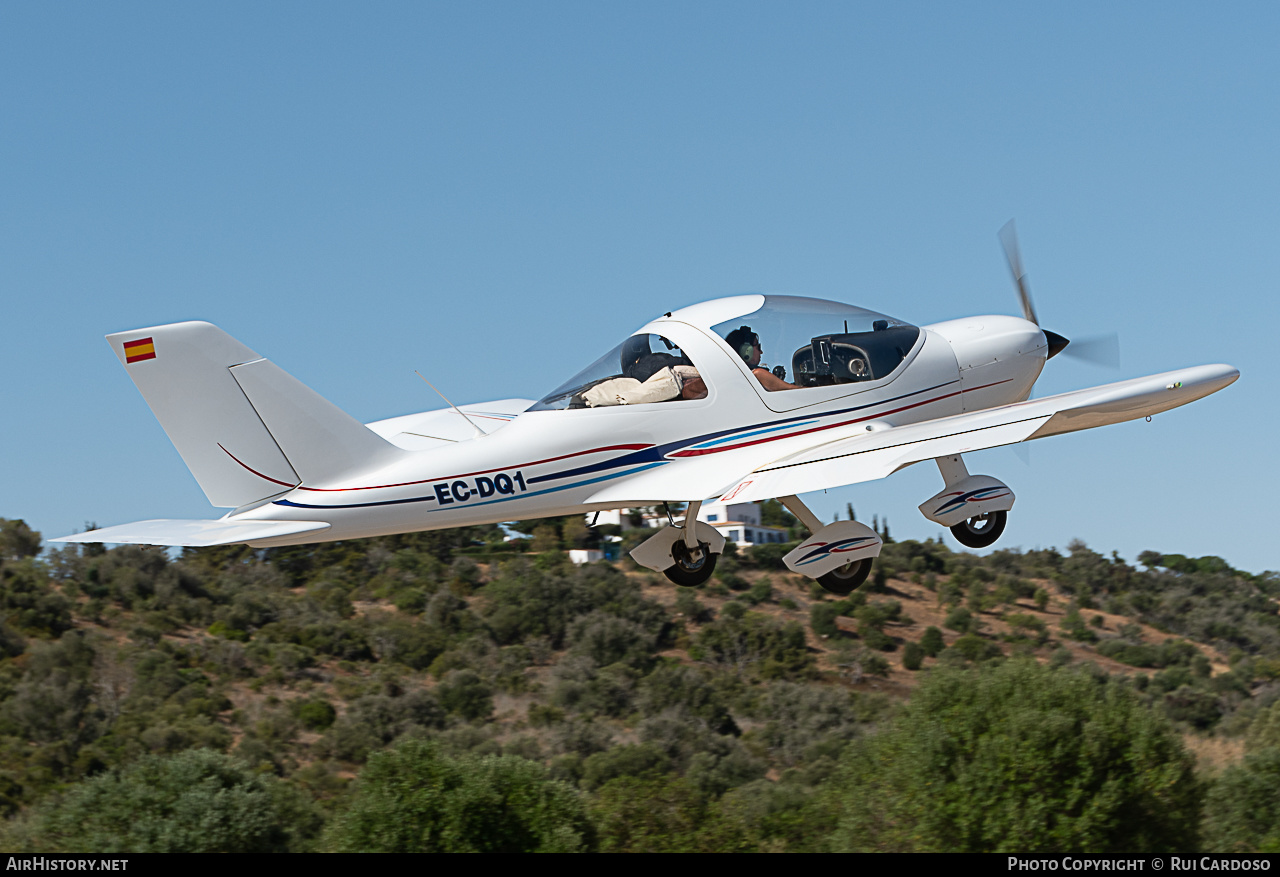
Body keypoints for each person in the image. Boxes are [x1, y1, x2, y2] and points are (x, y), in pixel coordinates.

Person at [724, 326, 802, 391]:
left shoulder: (735, 378)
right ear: (746, 351)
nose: (761, 352)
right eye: (758, 347)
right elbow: (795, 391)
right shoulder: (758, 374)